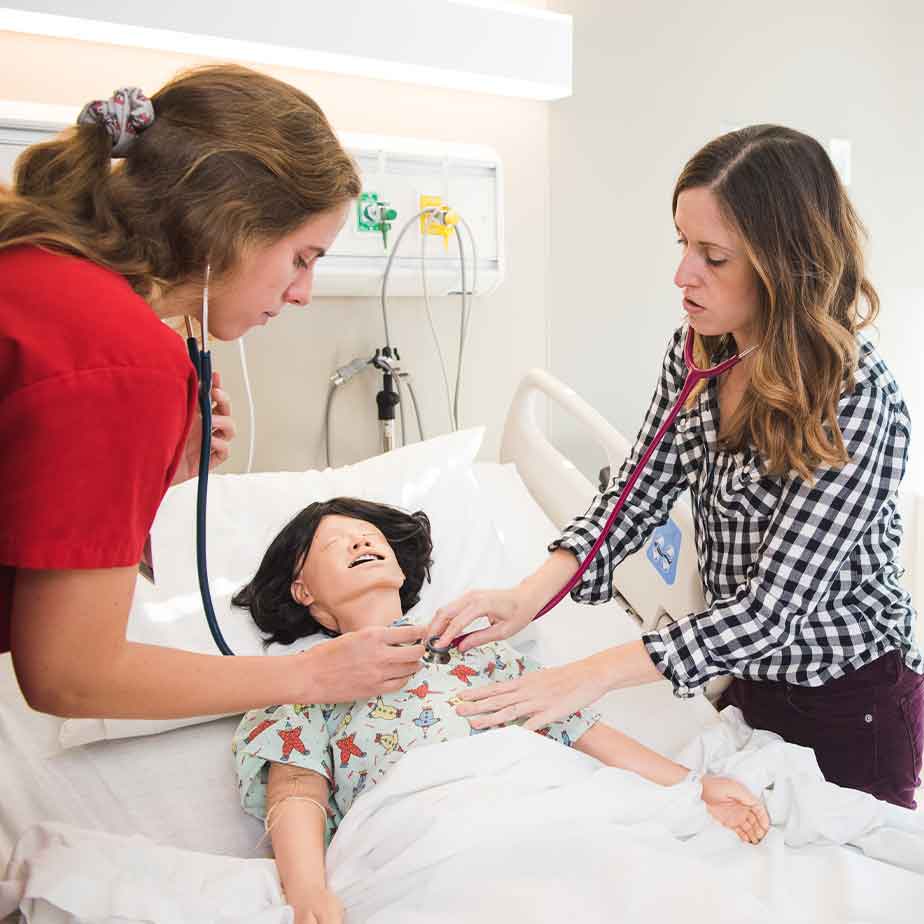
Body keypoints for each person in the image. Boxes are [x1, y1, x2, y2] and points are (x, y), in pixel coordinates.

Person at [427, 124, 924, 810]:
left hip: (849, 701)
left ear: (786, 266)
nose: (683, 274)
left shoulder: (856, 401)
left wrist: (586, 676)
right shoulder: (699, 354)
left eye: (713, 256)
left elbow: (769, 612)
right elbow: (631, 498)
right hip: (748, 681)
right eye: (683, 243)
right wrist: (526, 597)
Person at [0, 64, 425, 721]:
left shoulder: (42, 274)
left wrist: (167, 468)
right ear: (230, 224)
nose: (302, 293)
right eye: (302, 257)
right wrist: (310, 676)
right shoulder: (127, 360)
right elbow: (70, 675)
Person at [231, 497, 769, 924]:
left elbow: (578, 727)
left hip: (544, 802)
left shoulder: (473, 648)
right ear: (303, 590)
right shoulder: (304, 681)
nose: (361, 539)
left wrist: (691, 786)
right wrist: (307, 892)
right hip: (429, 835)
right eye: (335, 542)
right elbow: (297, 789)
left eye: (368, 534)